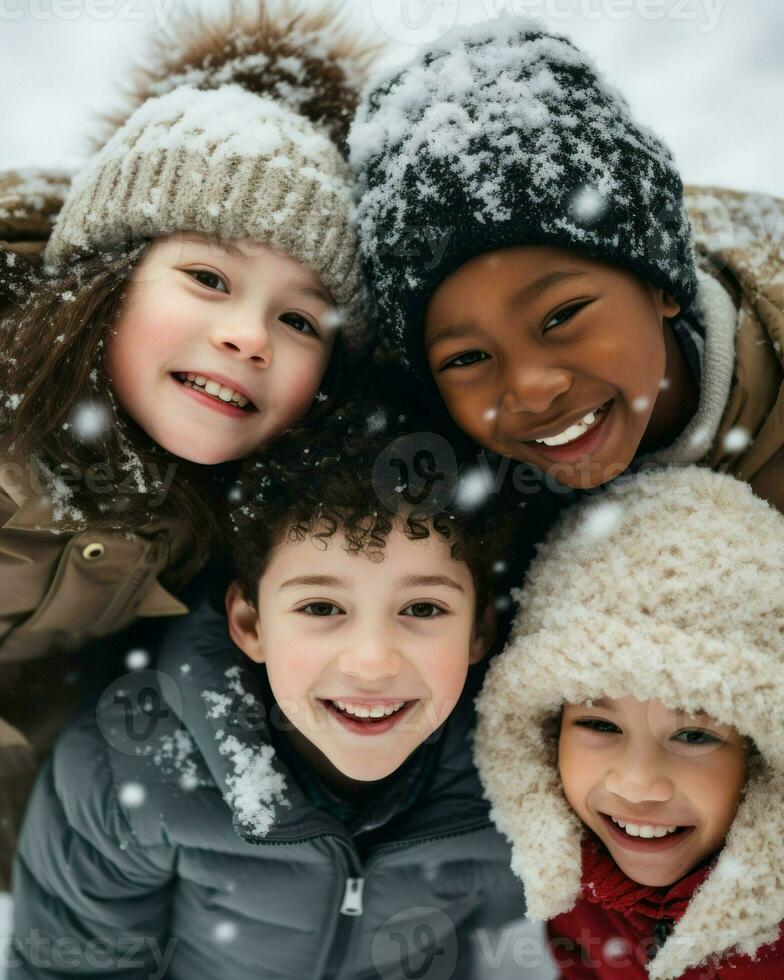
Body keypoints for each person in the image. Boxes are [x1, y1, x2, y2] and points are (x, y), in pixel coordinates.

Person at [0, 1, 376, 885]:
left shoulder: (243, 499)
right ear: (108, 282)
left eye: (299, 319)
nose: (251, 337)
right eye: (208, 277)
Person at [11, 398, 527, 979]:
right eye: (322, 606)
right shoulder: (127, 774)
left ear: (479, 630)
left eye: (424, 607)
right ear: (251, 625)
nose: (372, 661)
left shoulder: (517, 798)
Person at [349, 17, 784, 512]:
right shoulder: (449, 510)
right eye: (466, 358)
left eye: (562, 316)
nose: (532, 390)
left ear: (661, 281)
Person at [474, 465, 784, 978]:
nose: (638, 785)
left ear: (762, 760)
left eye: (693, 735)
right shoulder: (578, 881)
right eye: (600, 725)